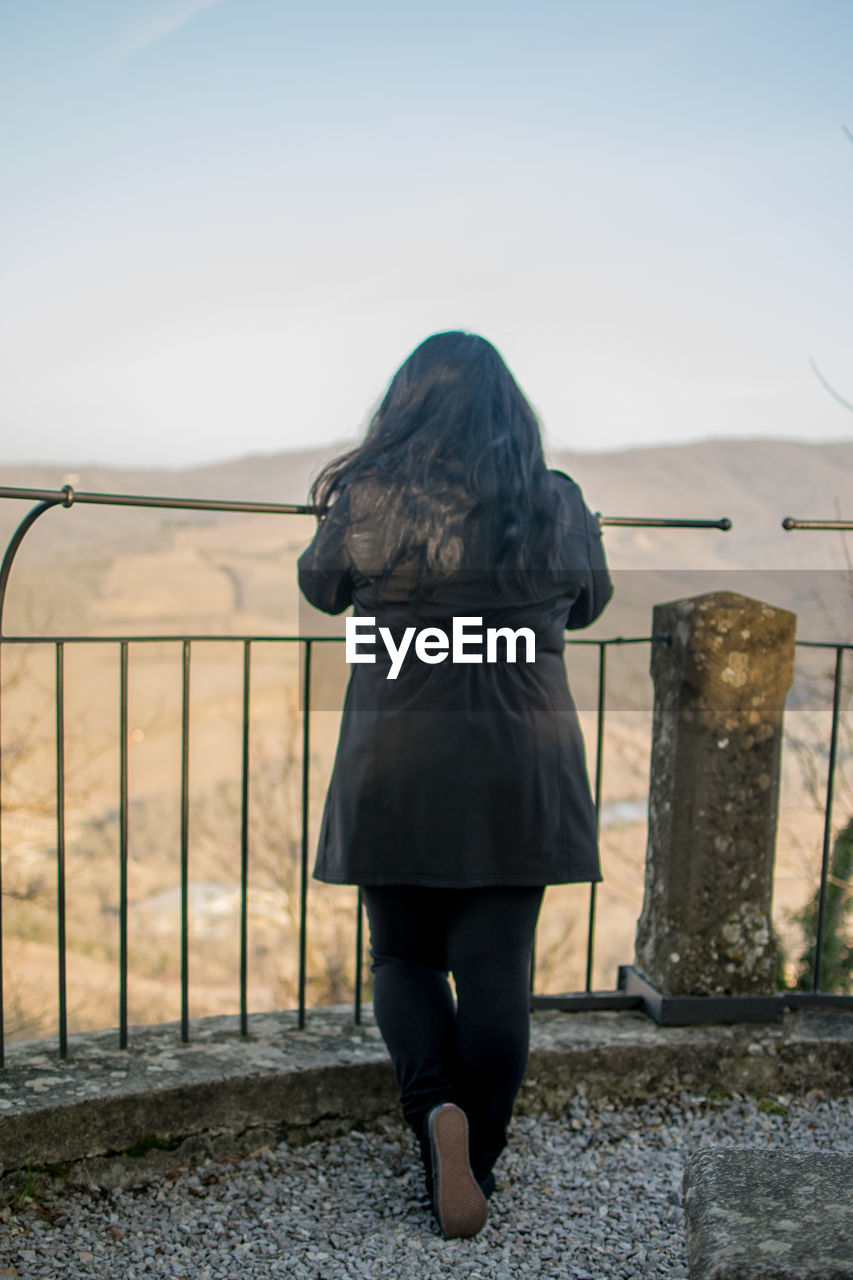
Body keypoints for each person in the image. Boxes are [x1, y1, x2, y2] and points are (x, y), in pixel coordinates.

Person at [297, 331, 612, 1238]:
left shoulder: (368, 499)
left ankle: (435, 1114)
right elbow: (589, 603)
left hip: (399, 762)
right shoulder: (553, 502)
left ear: (405, 409)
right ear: (512, 416)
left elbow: (320, 586)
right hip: (523, 766)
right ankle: (475, 1157)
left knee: (401, 958)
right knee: (496, 972)